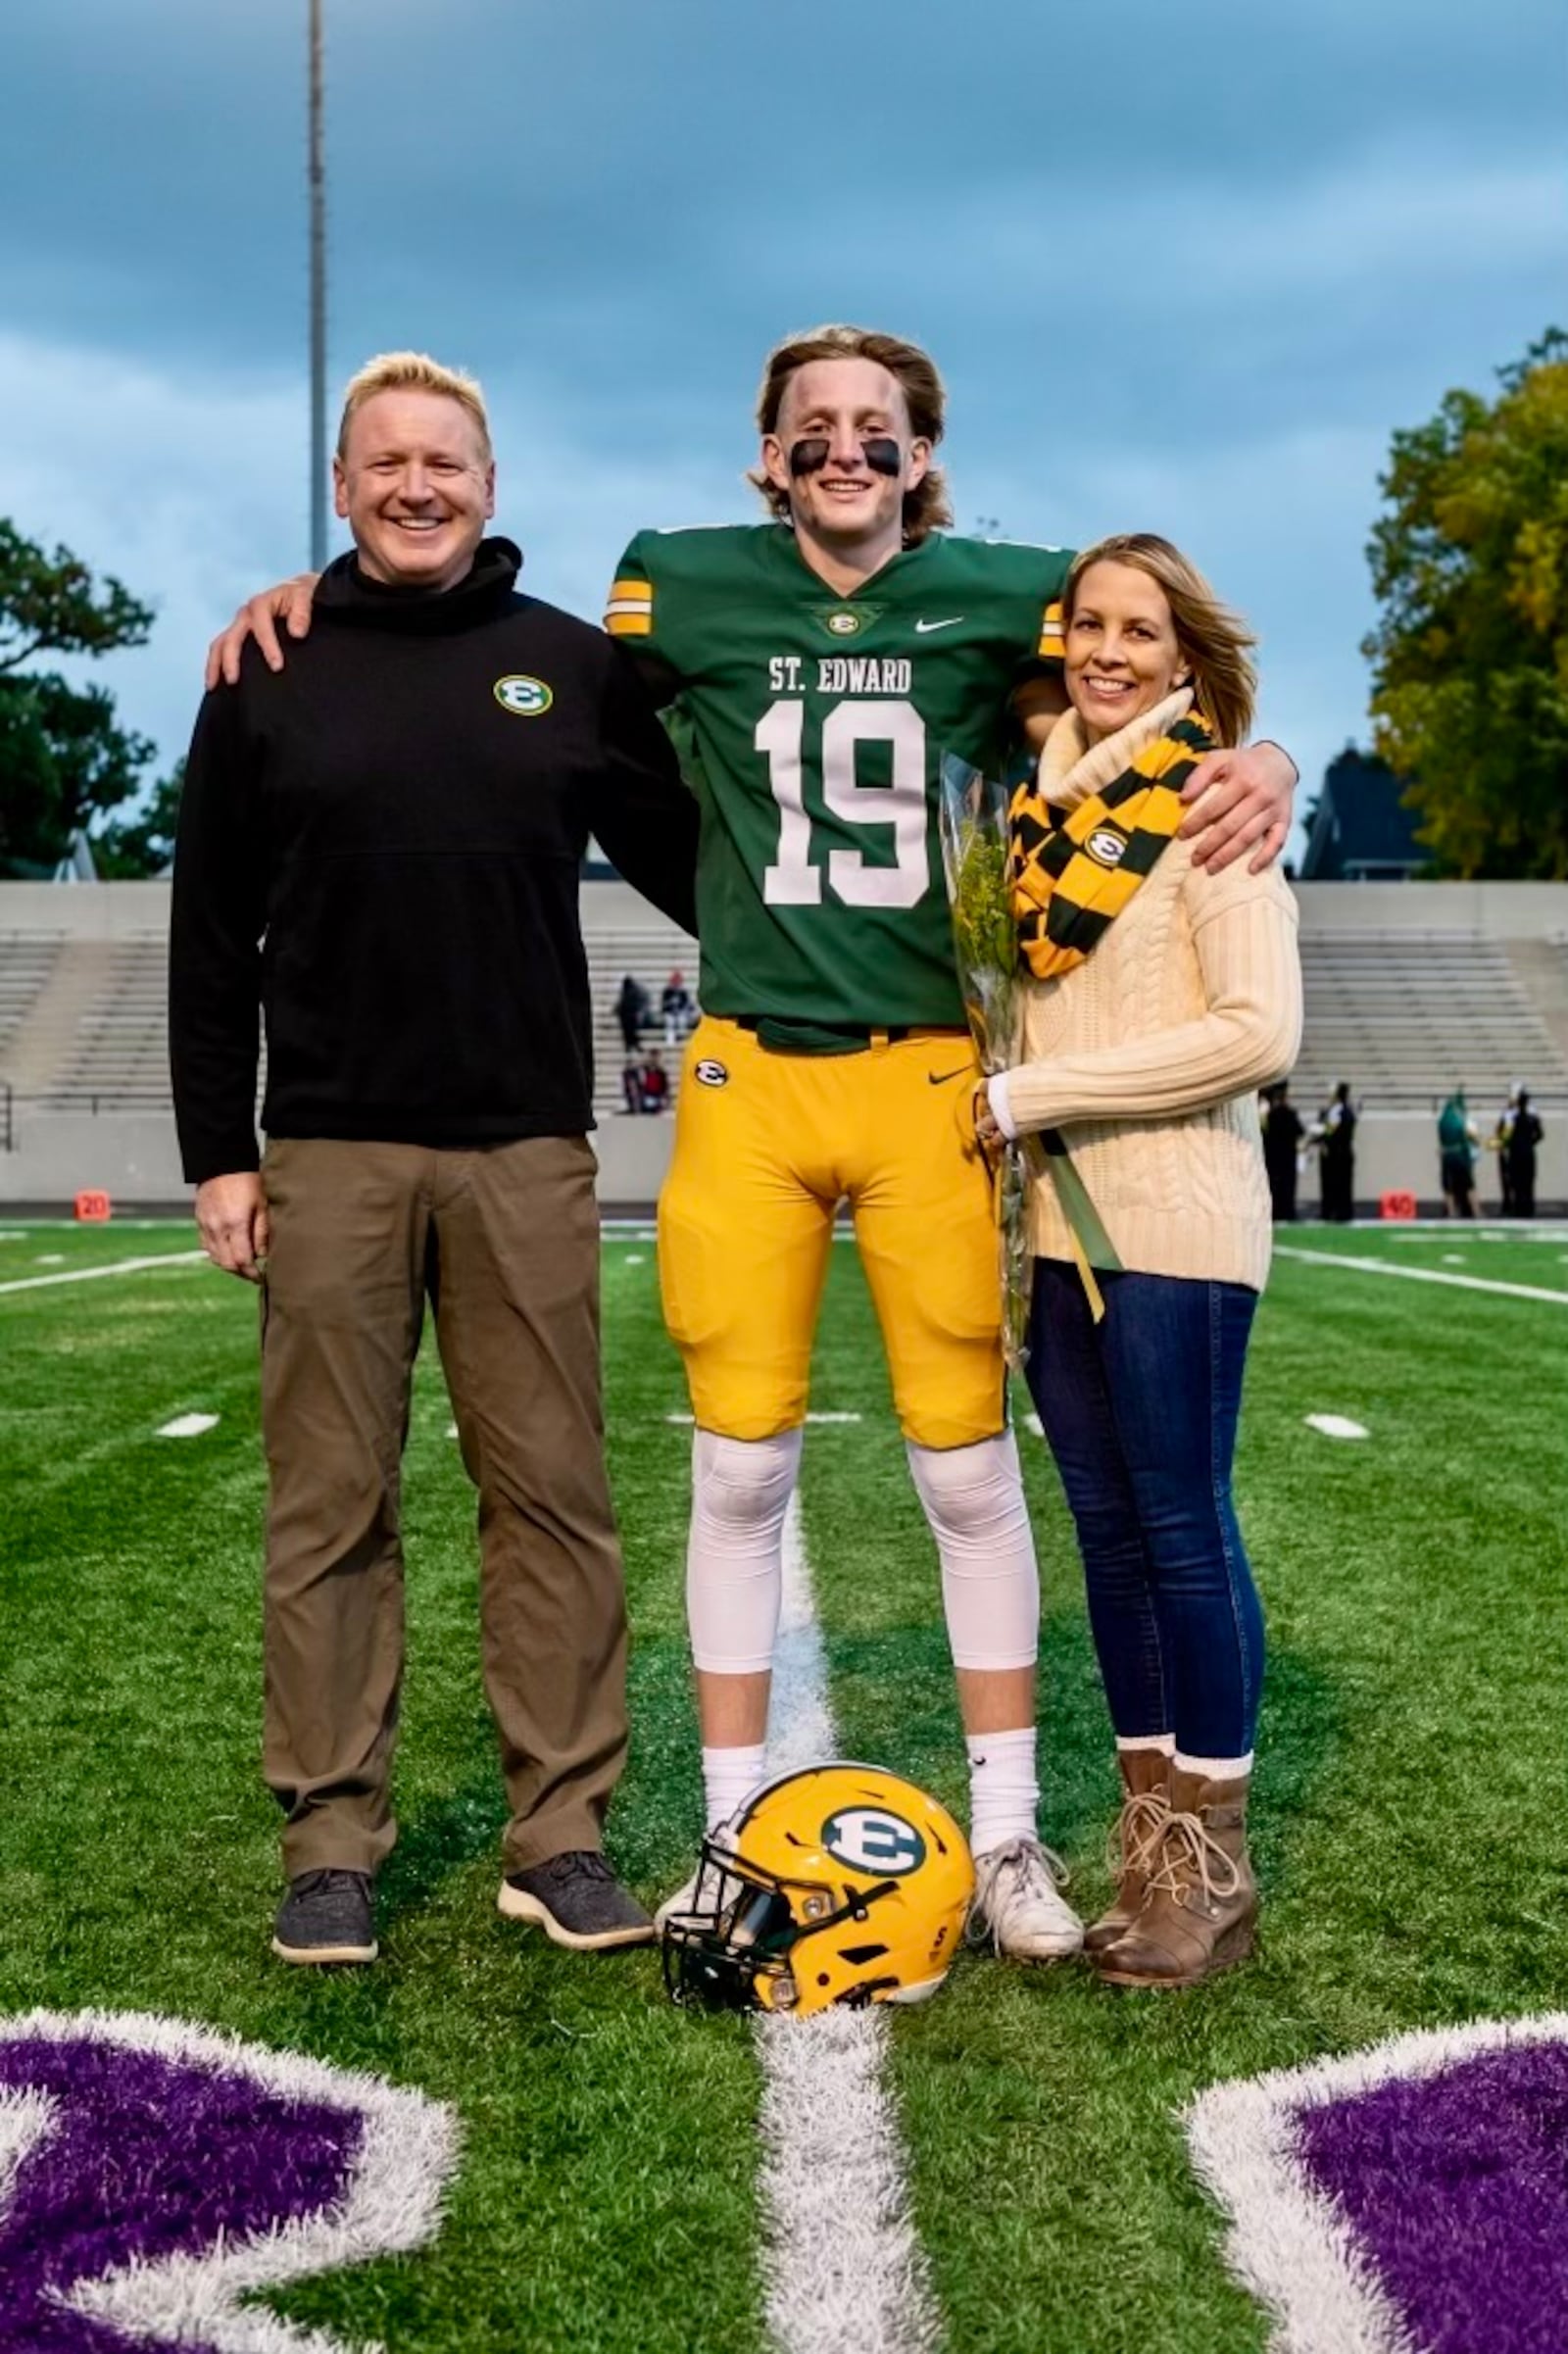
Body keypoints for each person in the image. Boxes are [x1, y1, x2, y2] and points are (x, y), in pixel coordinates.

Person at [205, 322, 1298, 1965]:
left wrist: (1260, 746)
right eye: (815, 429)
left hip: (932, 1071)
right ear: (763, 456)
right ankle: (725, 1831)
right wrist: (301, 602)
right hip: (747, 1080)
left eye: (878, 431)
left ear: (924, 461)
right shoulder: (673, 587)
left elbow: (1155, 636)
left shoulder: (1015, 591)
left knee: (966, 1469)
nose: (846, 450)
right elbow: (465, 669)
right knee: (737, 1465)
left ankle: (1006, 1837)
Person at [172, 352, 698, 1967]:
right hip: (326, 1146)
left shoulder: (574, 668)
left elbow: (708, 845)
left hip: (526, 1145)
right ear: (343, 487)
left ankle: (563, 1833)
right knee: (330, 1503)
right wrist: (219, 1153)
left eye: (445, 461)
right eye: (386, 461)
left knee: (552, 1499)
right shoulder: (267, 665)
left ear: (491, 482)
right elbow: (209, 933)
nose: (417, 485)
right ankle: (333, 1839)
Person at [979, 533, 1301, 1987]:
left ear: (1185, 659)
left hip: (1173, 1227)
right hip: (1055, 1233)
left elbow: (1258, 1033)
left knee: (1180, 1525)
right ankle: (1149, 1837)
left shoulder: (1210, 800)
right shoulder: (1037, 819)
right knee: (1109, 1540)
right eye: (1089, 625)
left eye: (1141, 631)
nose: (1110, 651)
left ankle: (1212, 1863)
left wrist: (1032, 1098)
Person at [1260, 1080, 1304, 1222]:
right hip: (1288, 1156)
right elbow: (1300, 1131)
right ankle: (1288, 1211)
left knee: (1274, 1184)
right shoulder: (1291, 1113)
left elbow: (1265, 1133)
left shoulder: (1270, 1115)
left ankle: (1276, 1211)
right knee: (1289, 1184)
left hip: (1273, 1156)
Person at [1317, 1083, 1356, 1222]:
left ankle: (1343, 1212)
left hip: (1341, 1154)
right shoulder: (1328, 1111)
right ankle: (1328, 1211)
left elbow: (1341, 1133)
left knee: (1343, 1184)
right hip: (1329, 1155)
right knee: (1328, 1184)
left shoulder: (1346, 1112)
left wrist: (1328, 1140)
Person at [1438, 1087, 1478, 1218]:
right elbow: (1472, 1138)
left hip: (1447, 1155)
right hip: (1461, 1155)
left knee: (1448, 1186)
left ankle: (1451, 1212)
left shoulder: (1442, 1120)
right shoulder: (1462, 1120)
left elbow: (1441, 1140)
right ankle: (1476, 1211)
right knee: (1469, 1185)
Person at [1507, 1087, 1544, 1217]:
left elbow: (1506, 1136)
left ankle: (1518, 1208)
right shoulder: (1533, 1118)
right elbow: (1540, 1135)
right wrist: (1530, 1143)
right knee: (1528, 1181)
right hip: (1528, 1152)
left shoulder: (1512, 1117)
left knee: (1517, 1182)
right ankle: (1529, 1208)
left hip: (1516, 1153)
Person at [1488, 1084, 1521, 1213]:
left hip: (1512, 1150)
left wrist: (1501, 1143)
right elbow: (1500, 1130)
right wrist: (1497, 1144)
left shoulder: (1516, 1114)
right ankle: (1508, 1203)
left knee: (1513, 1179)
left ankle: (1514, 1204)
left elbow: (1507, 1132)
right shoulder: (1507, 1113)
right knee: (1506, 1179)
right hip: (1506, 1149)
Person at [614, 972, 649, 1056]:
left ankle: (633, 1046)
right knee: (630, 1033)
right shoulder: (629, 990)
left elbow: (623, 1003)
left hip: (628, 1016)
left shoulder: (630, 991)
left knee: (629, 1033)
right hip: (627, 1016)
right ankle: (632, 1047)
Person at [661, 968, 695, 1045]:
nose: (676, 982)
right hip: (670, 1012)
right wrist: (670, 1004)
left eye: (678, 980)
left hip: (680, 1013)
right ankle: (670, 1041)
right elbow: (664, 1004)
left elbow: (687, 1004)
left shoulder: (683, 992)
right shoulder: (667, 991)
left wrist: (681, 1010)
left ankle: (681, 1038)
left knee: (682, 1020)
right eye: (674, 980)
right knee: (670, 1022)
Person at [637, 1045, 670, 1112]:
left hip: (658, 1096)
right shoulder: (644, 1069)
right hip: (647, 1095)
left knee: (657, 1107)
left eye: (656, 1056)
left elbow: (665, 1086)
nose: (654, 1058)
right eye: (652, 1056)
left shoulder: (661, 1072)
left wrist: (665, 1097)